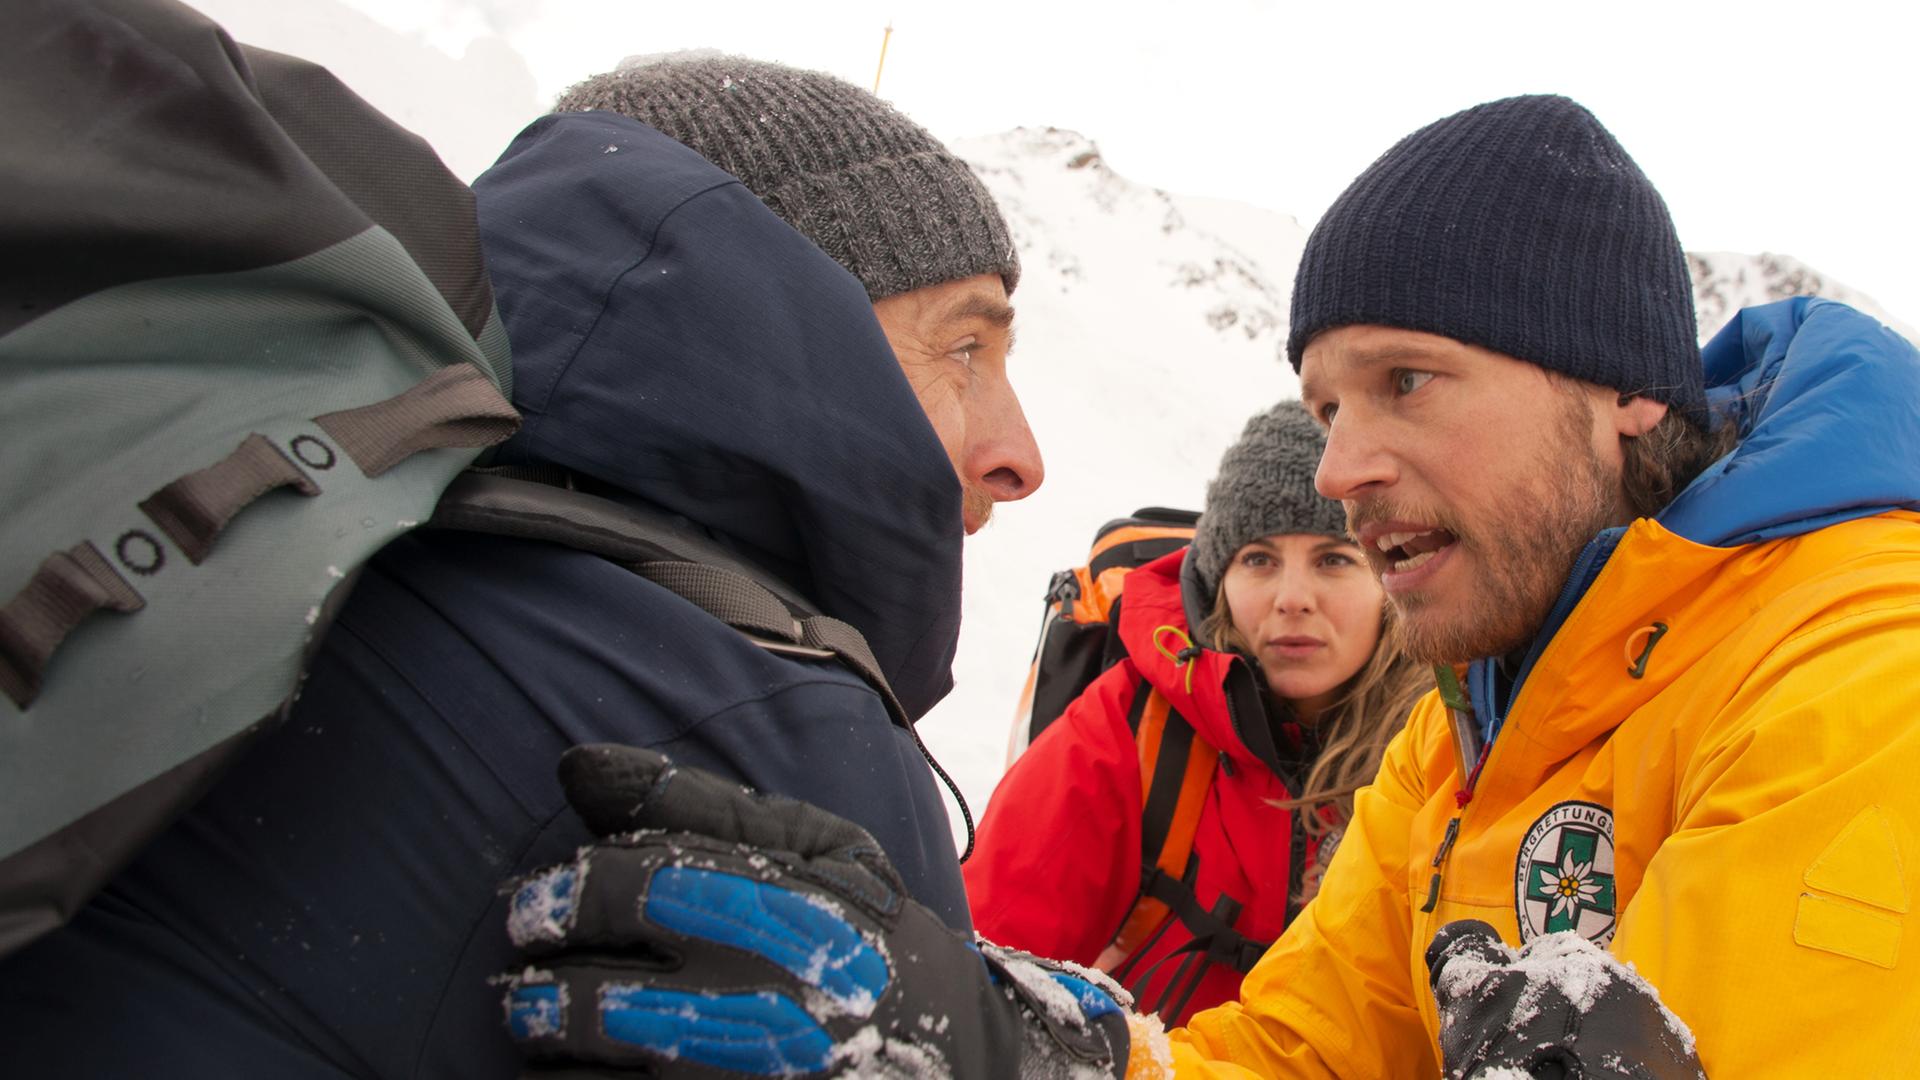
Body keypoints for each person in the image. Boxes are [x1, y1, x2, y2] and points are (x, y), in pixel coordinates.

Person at [504, 92, 1919, 1079]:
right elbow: (1299, 1055)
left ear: (1620, 389)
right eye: (1326, 405)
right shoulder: (1469, 731)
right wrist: (1010, 1045)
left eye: (1406, 383)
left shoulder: (1862, 680)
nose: (1345, 468)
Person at [0, 52, 1043, 1077]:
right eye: (964, 350)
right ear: (775, 323)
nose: (1021, 456)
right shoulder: (779, 728)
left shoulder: (309, 544)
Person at [963, 400, 1429, 1025]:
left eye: (1334, 559)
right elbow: (981, 975)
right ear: (1218, 579)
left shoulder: (1453, 739)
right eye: (1258, 560)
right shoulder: (1134, 725)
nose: (1292, 599)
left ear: (1389, 579)